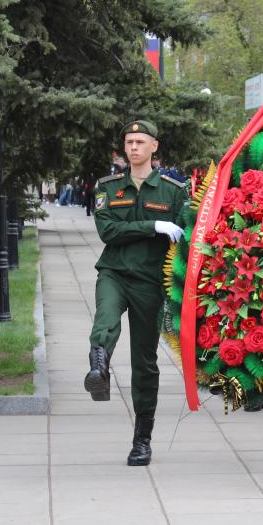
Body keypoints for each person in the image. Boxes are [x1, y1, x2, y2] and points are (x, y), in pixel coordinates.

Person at [84, 120, 188, 466]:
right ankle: (98, 367)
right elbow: (108, 231)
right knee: (106, 318)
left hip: (150, 281)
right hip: (115, 272)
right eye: (129, 142)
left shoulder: (174, 191)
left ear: (154, 147)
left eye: (140, 142)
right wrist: (152, 226)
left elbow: (187, 234)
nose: (133, 147)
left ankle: (142, 439)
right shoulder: (108, 186)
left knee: (144, 362)